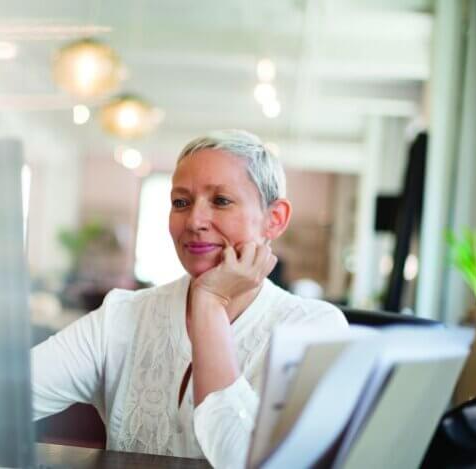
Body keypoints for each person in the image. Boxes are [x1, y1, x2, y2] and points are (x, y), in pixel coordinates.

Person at [31, 130, 348, 467]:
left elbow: (245, 461)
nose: (195, 221)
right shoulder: (123, 315)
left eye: (221, 200)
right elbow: (4, 397)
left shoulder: (316, 330)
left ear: (275, 219)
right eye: (181, 202)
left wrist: (210, 302)